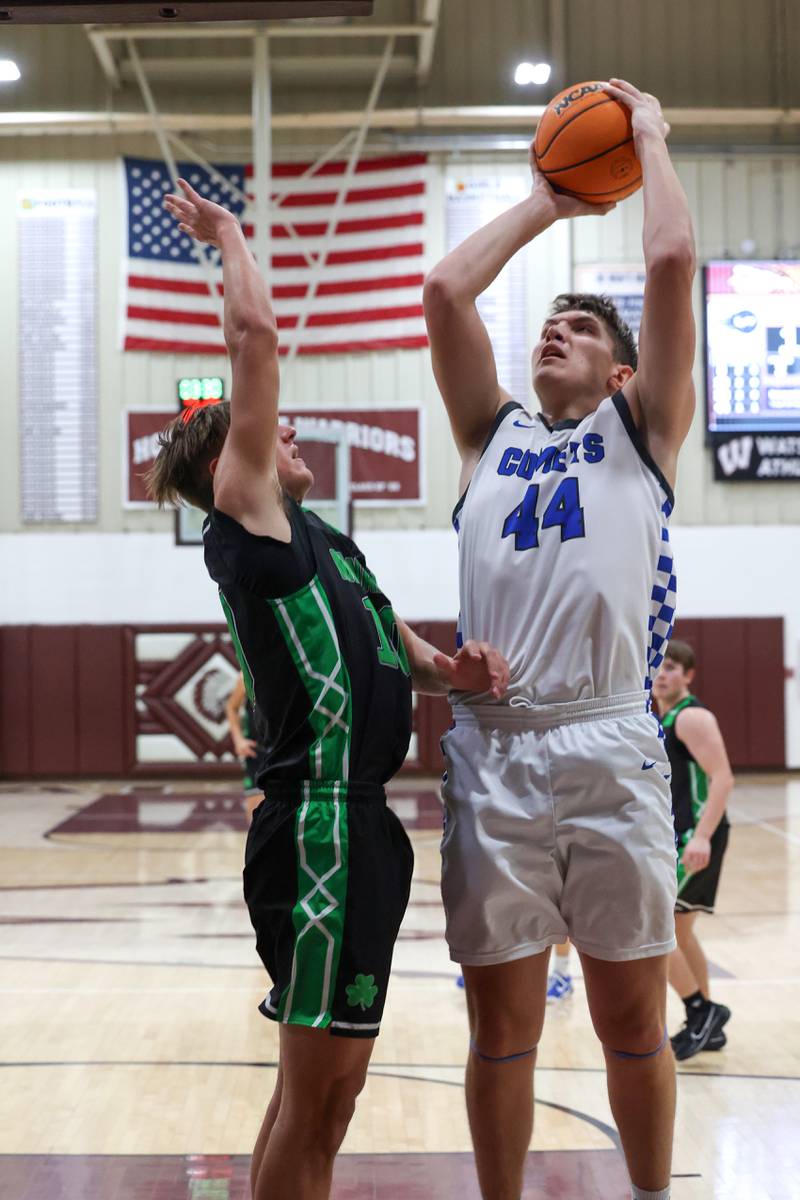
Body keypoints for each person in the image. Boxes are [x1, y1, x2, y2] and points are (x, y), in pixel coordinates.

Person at [144, 179, 509, 1200]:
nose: (289, 431)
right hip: (317, 826)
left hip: (365, 827)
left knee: (323, 1101)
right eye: (269, 431)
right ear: (228, 460)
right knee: (319, 1103)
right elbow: (254, 340)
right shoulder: (244, 507)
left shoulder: (324, 542)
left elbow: (380, 630)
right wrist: (225, 233)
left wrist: (447, 670)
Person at [423, 78, 696, 1200]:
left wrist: (648, 135)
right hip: (493, 750)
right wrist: (545, 198)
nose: (553, 330)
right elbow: (444, 288)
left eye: (579, 329)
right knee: (501, 1030)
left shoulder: (641, 433)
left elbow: (672, 264)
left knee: (632, 1020)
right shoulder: (489, 436)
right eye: (548, 321)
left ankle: (646, 1194)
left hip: (606, 741)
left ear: (621, 372)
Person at [652, 639, 734, 1060]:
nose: (663, 674)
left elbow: (722, 779)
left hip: (694, 837)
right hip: (680, 834)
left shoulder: (692, 717)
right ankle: (708, 1028)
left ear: (688, 675)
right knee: (680, 933)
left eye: (672, 667)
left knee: (655, 929)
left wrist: (701, 837)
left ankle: (700, 1011)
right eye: (658, 666)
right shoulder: (661, 718)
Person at [225, 672, 267, 819]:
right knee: (256, 814)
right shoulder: (247, 674)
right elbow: (231, 707)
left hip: (282, 749)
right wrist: (238, 740)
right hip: (257, 751)